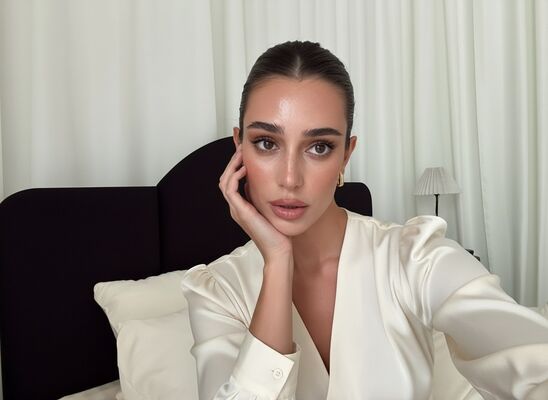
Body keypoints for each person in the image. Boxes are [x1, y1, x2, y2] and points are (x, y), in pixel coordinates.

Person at [181, 40, 548, 399]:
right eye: (266, 143)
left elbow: (534, 366)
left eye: (319, 147)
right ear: (239, 146)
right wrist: (278, 262)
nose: (290, 178)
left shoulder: (413, 259)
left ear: (346, 155)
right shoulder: (218, 291)